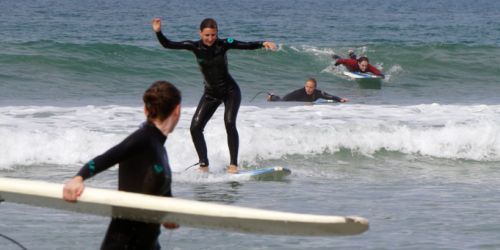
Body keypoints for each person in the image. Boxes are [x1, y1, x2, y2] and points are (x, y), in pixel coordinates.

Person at [63, 81, 181, 250]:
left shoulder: (160, 150)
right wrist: (78, 178)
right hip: (122, 244)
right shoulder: (143, 138)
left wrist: (168, 215)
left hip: (149, 244)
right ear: (177, 110)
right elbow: (107, 158)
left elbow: (162, 195)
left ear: (145, 110)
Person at [152, 18, 276, 174]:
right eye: (207, 35)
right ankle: (204, 164)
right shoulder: (194, 46)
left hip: (230, 91)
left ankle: (233, 165)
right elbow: (168, 44)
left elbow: (243, 44)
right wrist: (158, 31)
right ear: (200, 33)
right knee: (195, 128)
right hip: (211, 94)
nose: (210, 38)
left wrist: (262, 43)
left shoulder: (224, 43)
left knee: (229, 123)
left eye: (213, 35)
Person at [267, 78, 348, 102]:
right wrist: (273, 98)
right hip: (294, 98)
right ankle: (271, 96)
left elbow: (330, 96)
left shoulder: (318, 93)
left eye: (310, 87)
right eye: (307, 86)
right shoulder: (299, 92)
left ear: (315, 88)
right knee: (281, 100)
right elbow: (283, 101)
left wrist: (340, 99)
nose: (308, 89)